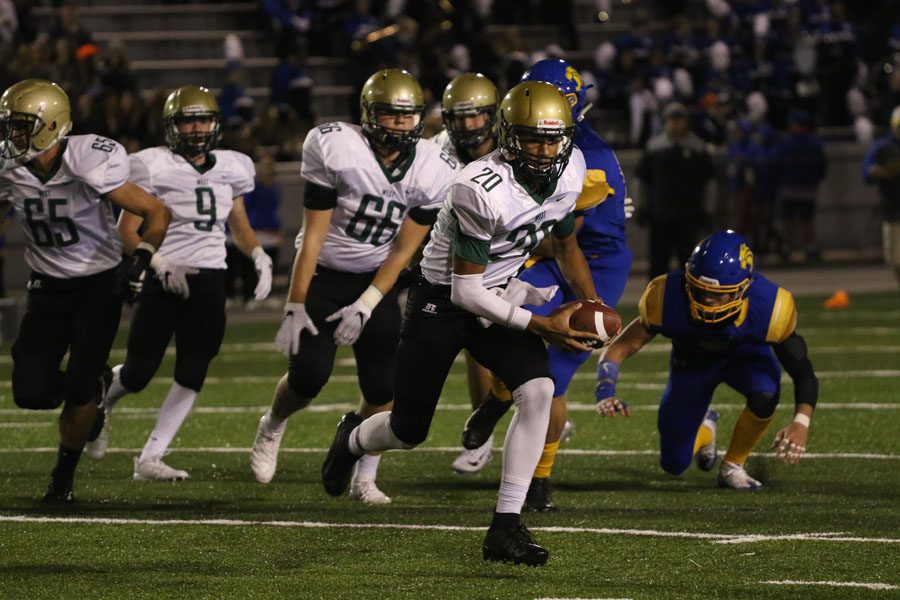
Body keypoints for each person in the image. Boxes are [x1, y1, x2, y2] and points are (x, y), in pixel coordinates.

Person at [321, 80, 602, 566]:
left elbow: (565, 244)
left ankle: (506, 526)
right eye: (531, 138)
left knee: (537, 390)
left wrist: (591, 302)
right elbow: (464, 291)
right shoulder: (479, 187)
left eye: (552, 139)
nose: (544, 150)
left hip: (499, 291)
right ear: (508, 136)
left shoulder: (571, 170)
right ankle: (352, 437)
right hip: (442, 302)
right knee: (409, 430)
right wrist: (543, 325)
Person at [250, 68, 458, 504]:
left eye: (407, 115)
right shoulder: (337, 147)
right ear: (368, 115)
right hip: (325, 272)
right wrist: (295, 303)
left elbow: (404, 250)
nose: (400, 123)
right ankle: (271, 423)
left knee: (384, 389)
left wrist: (367, 302)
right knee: (307, 378)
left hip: (375, 279)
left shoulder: (432, 166)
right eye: (389, 114)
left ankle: (366, 474)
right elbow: (314, 237)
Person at [456, 58, 634, 512]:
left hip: (590, 259)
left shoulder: (580, 161)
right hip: (548, 250)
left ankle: (538, 478)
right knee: (492, 316)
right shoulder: (534, 144)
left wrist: (590, 297)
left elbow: (564, 238)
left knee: (553, 377)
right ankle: (498, 397)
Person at [86, 86, 272, 481]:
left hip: (211, 276)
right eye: (188, 120)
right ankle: (102, 400)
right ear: (172, 125)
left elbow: (239, 226)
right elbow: (127, 229)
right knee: (138, 372)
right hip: (163, 274)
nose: (197, 128)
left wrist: (257, 255)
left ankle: (151, 457)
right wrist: (158, 260)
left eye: (204, 119)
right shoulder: (151, 165)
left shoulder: (232, 166)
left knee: (194, 370)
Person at [0, 78, 170, 501]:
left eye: (21, 126)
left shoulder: (89, 159)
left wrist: (143, 256)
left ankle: (62, 480)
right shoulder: (8, 166)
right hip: (46, 287)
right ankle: (93, 392)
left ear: (49, 124)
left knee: (76, 389)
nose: (13, 135)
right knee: (29, 391)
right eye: (11, 126)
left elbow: (156, 212)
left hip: (98, 284)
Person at [595, 230, 819, 490]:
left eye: (718, 294)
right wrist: (605, 389)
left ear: (744, 288)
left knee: (766, 392)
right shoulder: (666, 294)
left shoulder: (772, 307)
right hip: (692, 366)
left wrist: (801, 422)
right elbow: (622, 346)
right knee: (674, 464)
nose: (707, 300)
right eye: (699, 291)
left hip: (745, 360)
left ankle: (733, 465)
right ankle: (706, 427)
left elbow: (802, 371)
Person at [428, 72, 505, 474]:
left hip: (515, 253)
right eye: (460, 118)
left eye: (477, 116)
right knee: (475, 346)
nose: (469, 126)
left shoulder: (513, 145)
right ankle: (486, 431)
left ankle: (538, 412)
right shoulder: (437, 152)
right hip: (461, 257)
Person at [635, 102, 715, 279]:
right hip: (660, 215)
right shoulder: (654, 147)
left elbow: (709, 182)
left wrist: (708, 210)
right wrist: (641, 206)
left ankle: (688, 302)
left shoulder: (698, 148)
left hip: (688, 215)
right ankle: (655, 302)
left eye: (679, 120)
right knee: (657, 265)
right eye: (672, 119)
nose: (675, 124)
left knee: (689, 264)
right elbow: (641, 179)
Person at [771, 109, 827, 263]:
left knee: (789, 221)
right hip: (807, 188)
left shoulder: (786, 143)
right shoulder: (814, 144)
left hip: (789, 188)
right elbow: (822, 167)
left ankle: (787, 248)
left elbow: (776, 164)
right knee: (806, 221)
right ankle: (810, 248)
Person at [861, 105, 900, 303]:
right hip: (893, 209)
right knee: (896, 259)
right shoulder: (883, 147)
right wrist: (877, 171)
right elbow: (867, 172)